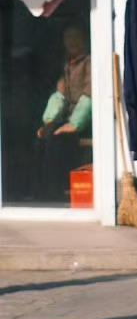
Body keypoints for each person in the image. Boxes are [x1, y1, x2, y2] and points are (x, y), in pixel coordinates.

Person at [35, 23, 91, 200]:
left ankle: (53, 190)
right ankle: (43, 188)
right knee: (44, 136)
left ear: (85, 38)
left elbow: (90, 94)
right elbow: (61, 94)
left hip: (89, 120)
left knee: (56, 141)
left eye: (75, 36)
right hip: (70, 117)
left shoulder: (90, 61)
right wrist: (49, 121)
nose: (71, 41)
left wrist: (74, 124)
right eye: (67, 38)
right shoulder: (68, 64)